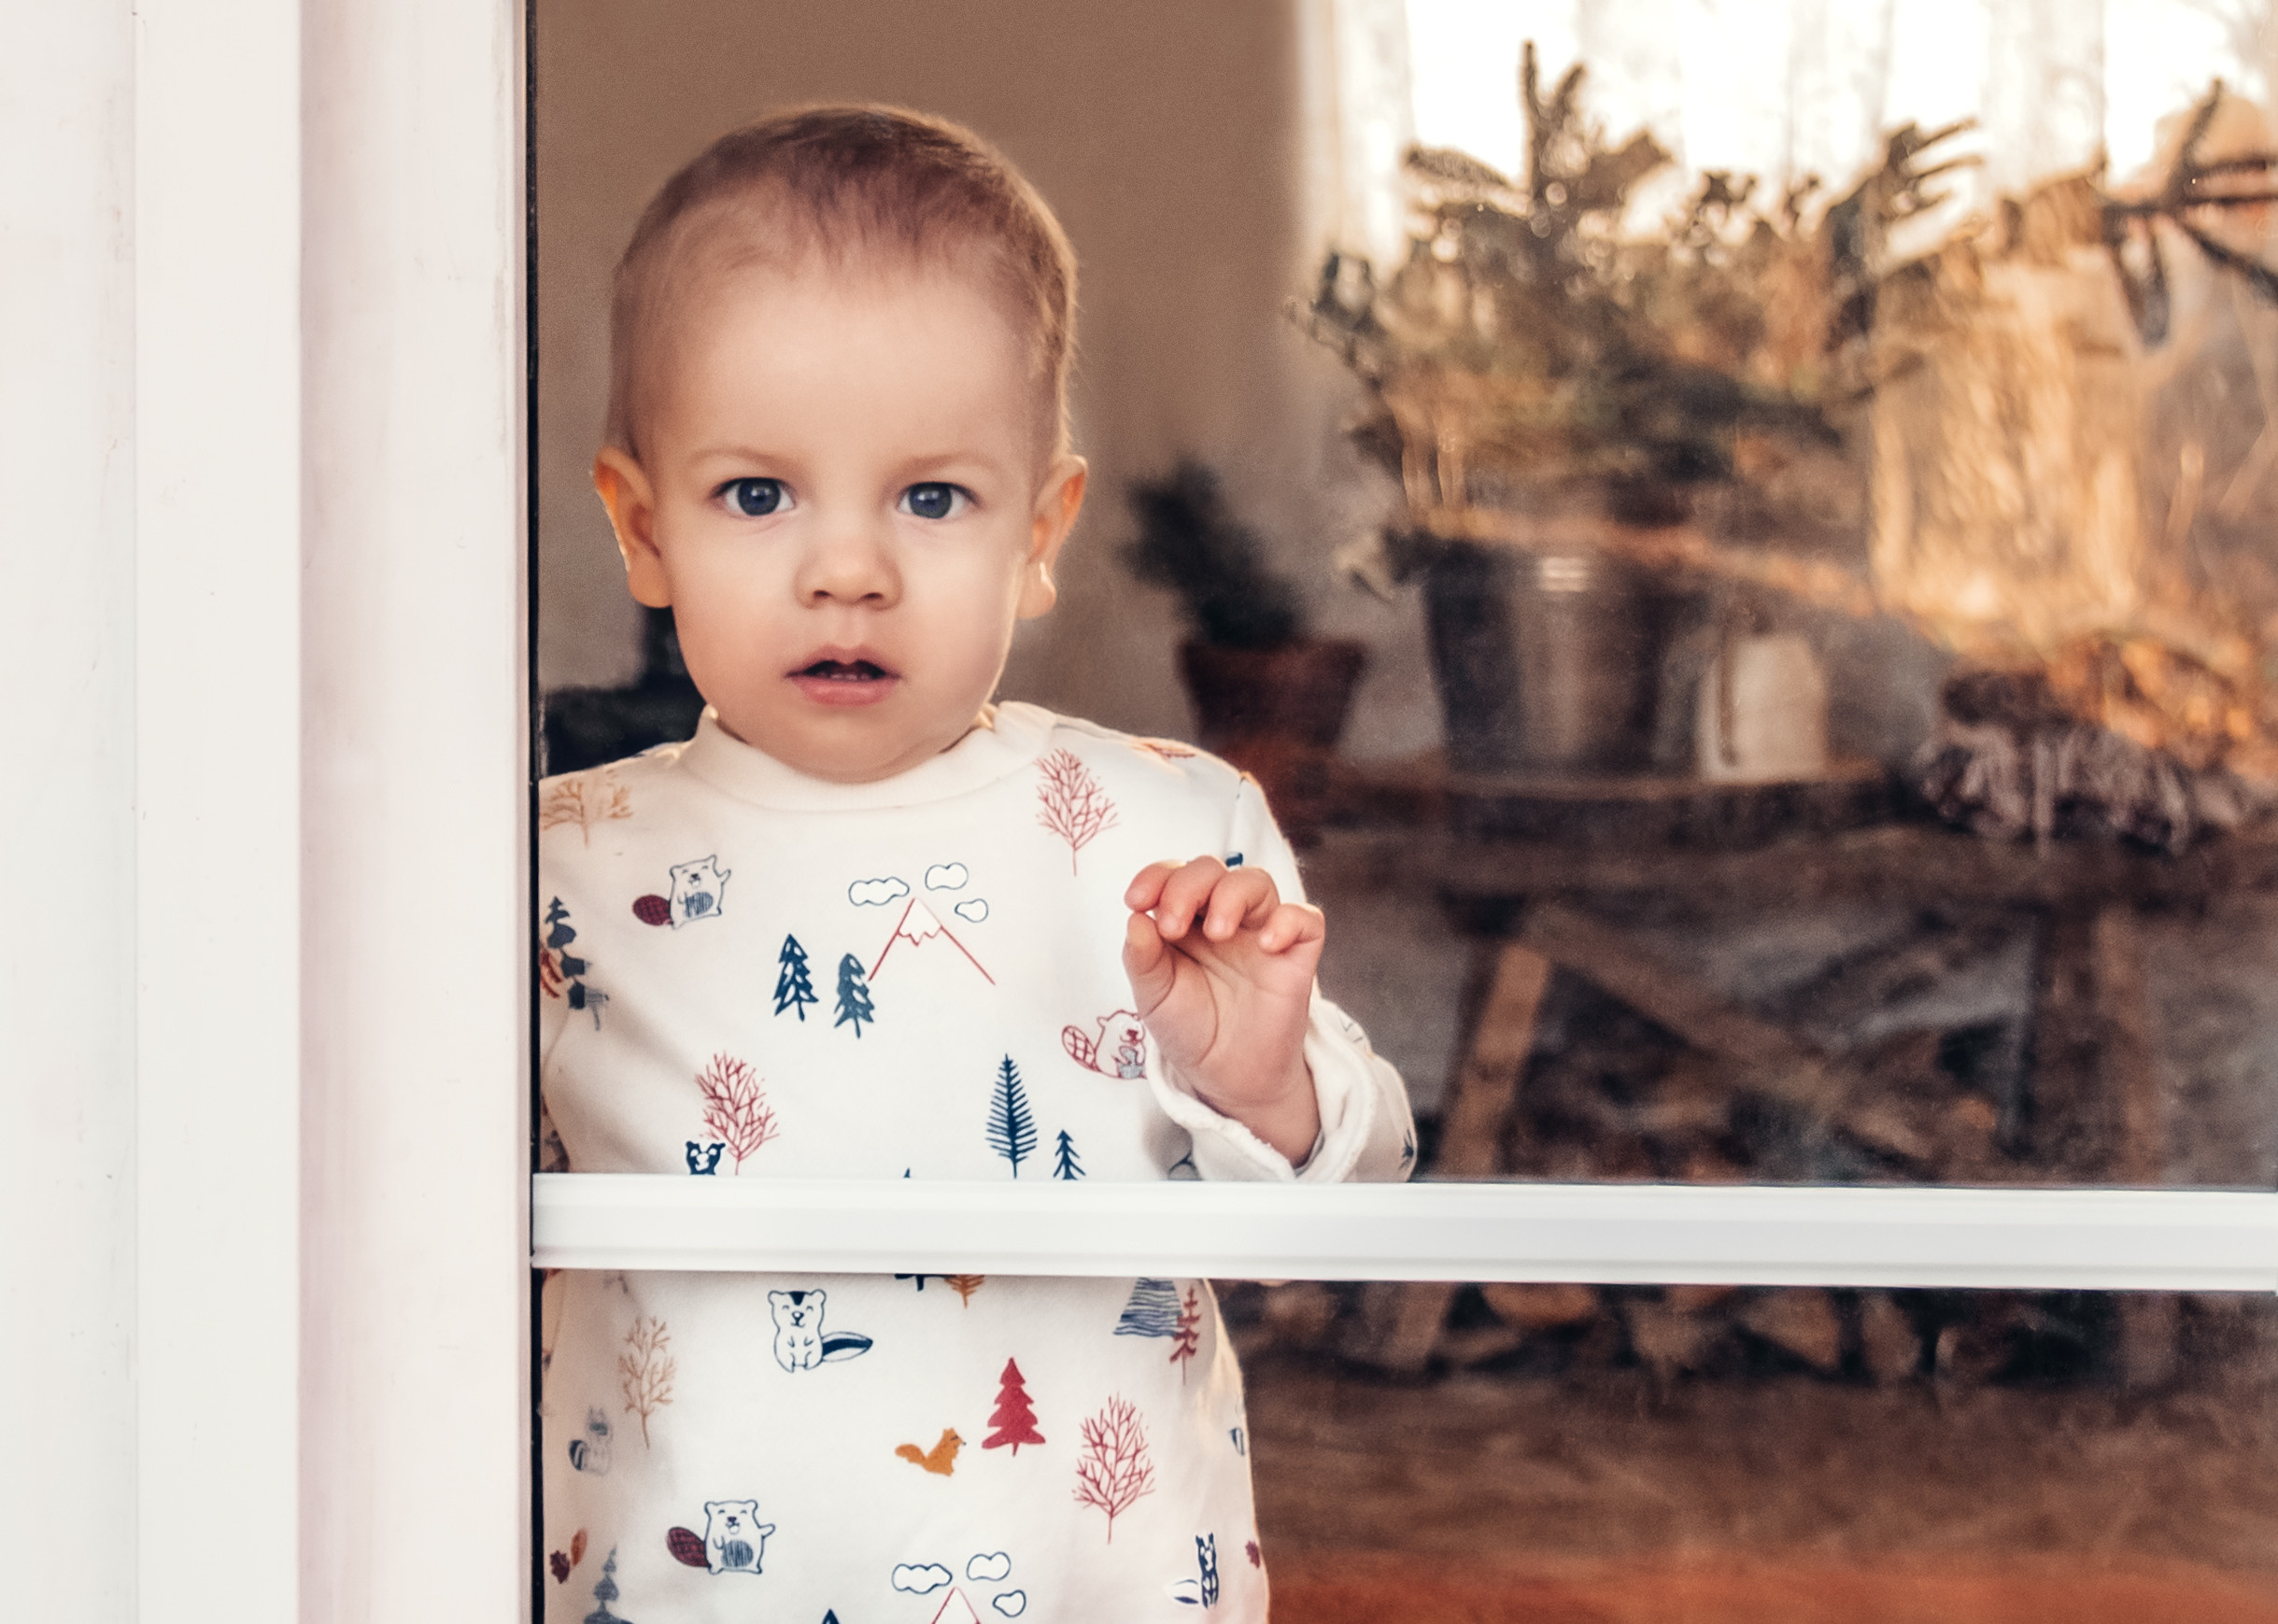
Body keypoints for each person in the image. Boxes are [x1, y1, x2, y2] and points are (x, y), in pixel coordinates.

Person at [537, 104, 1412, 1622]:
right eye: (758, 494)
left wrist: (1258, 1081)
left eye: (931, 497)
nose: (849, 569)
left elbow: (1363, 1189)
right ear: (641, 526)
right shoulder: (554, 871)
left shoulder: (1171, 831)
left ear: (1040, 529)